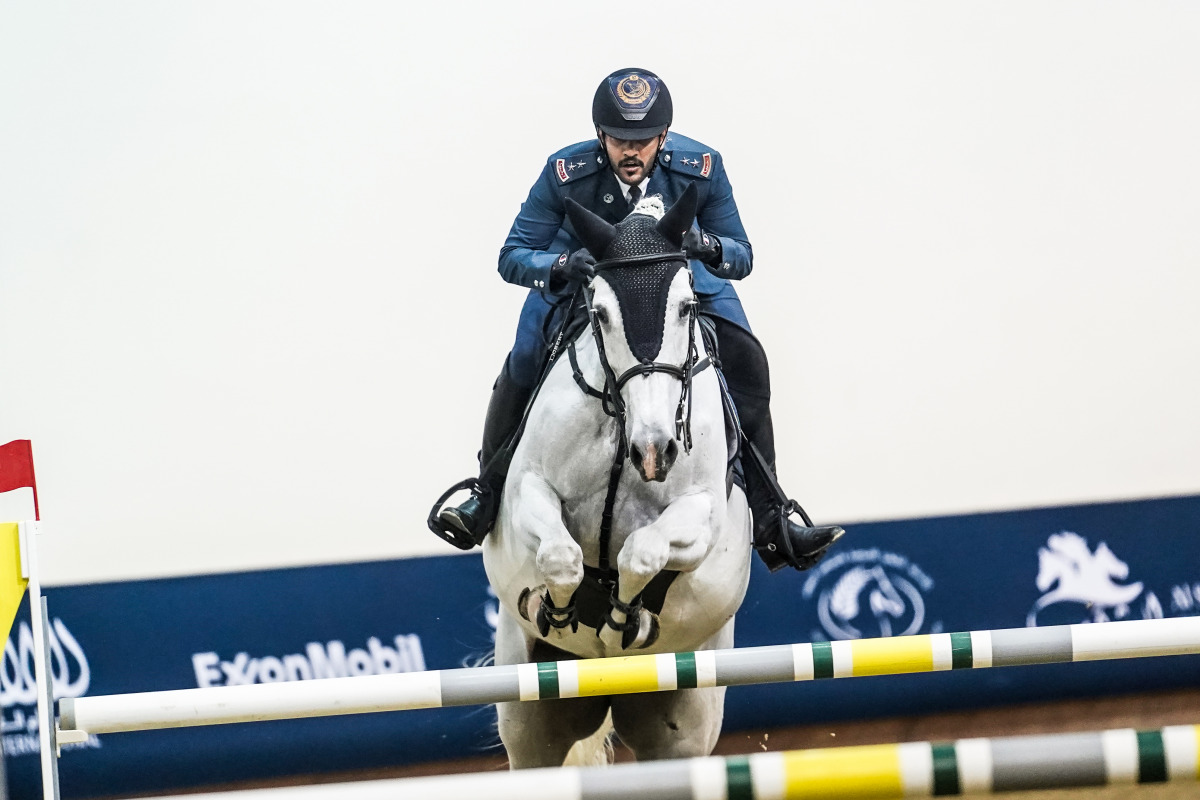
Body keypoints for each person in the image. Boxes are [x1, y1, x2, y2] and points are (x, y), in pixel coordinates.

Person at [431, 68, 841, 572]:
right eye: (620, 140)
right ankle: (485, 495)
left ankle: (774, 518)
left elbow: (742, 253)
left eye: (644, 141)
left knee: (748, 358)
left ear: (664, 138)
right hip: (586, 281)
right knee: (524, 358)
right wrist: (559, 266)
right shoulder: (566, 171)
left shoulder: (702, 167)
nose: (631, 152)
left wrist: (708, 247)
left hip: (675, 283)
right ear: (601, 136)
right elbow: (514, 254)